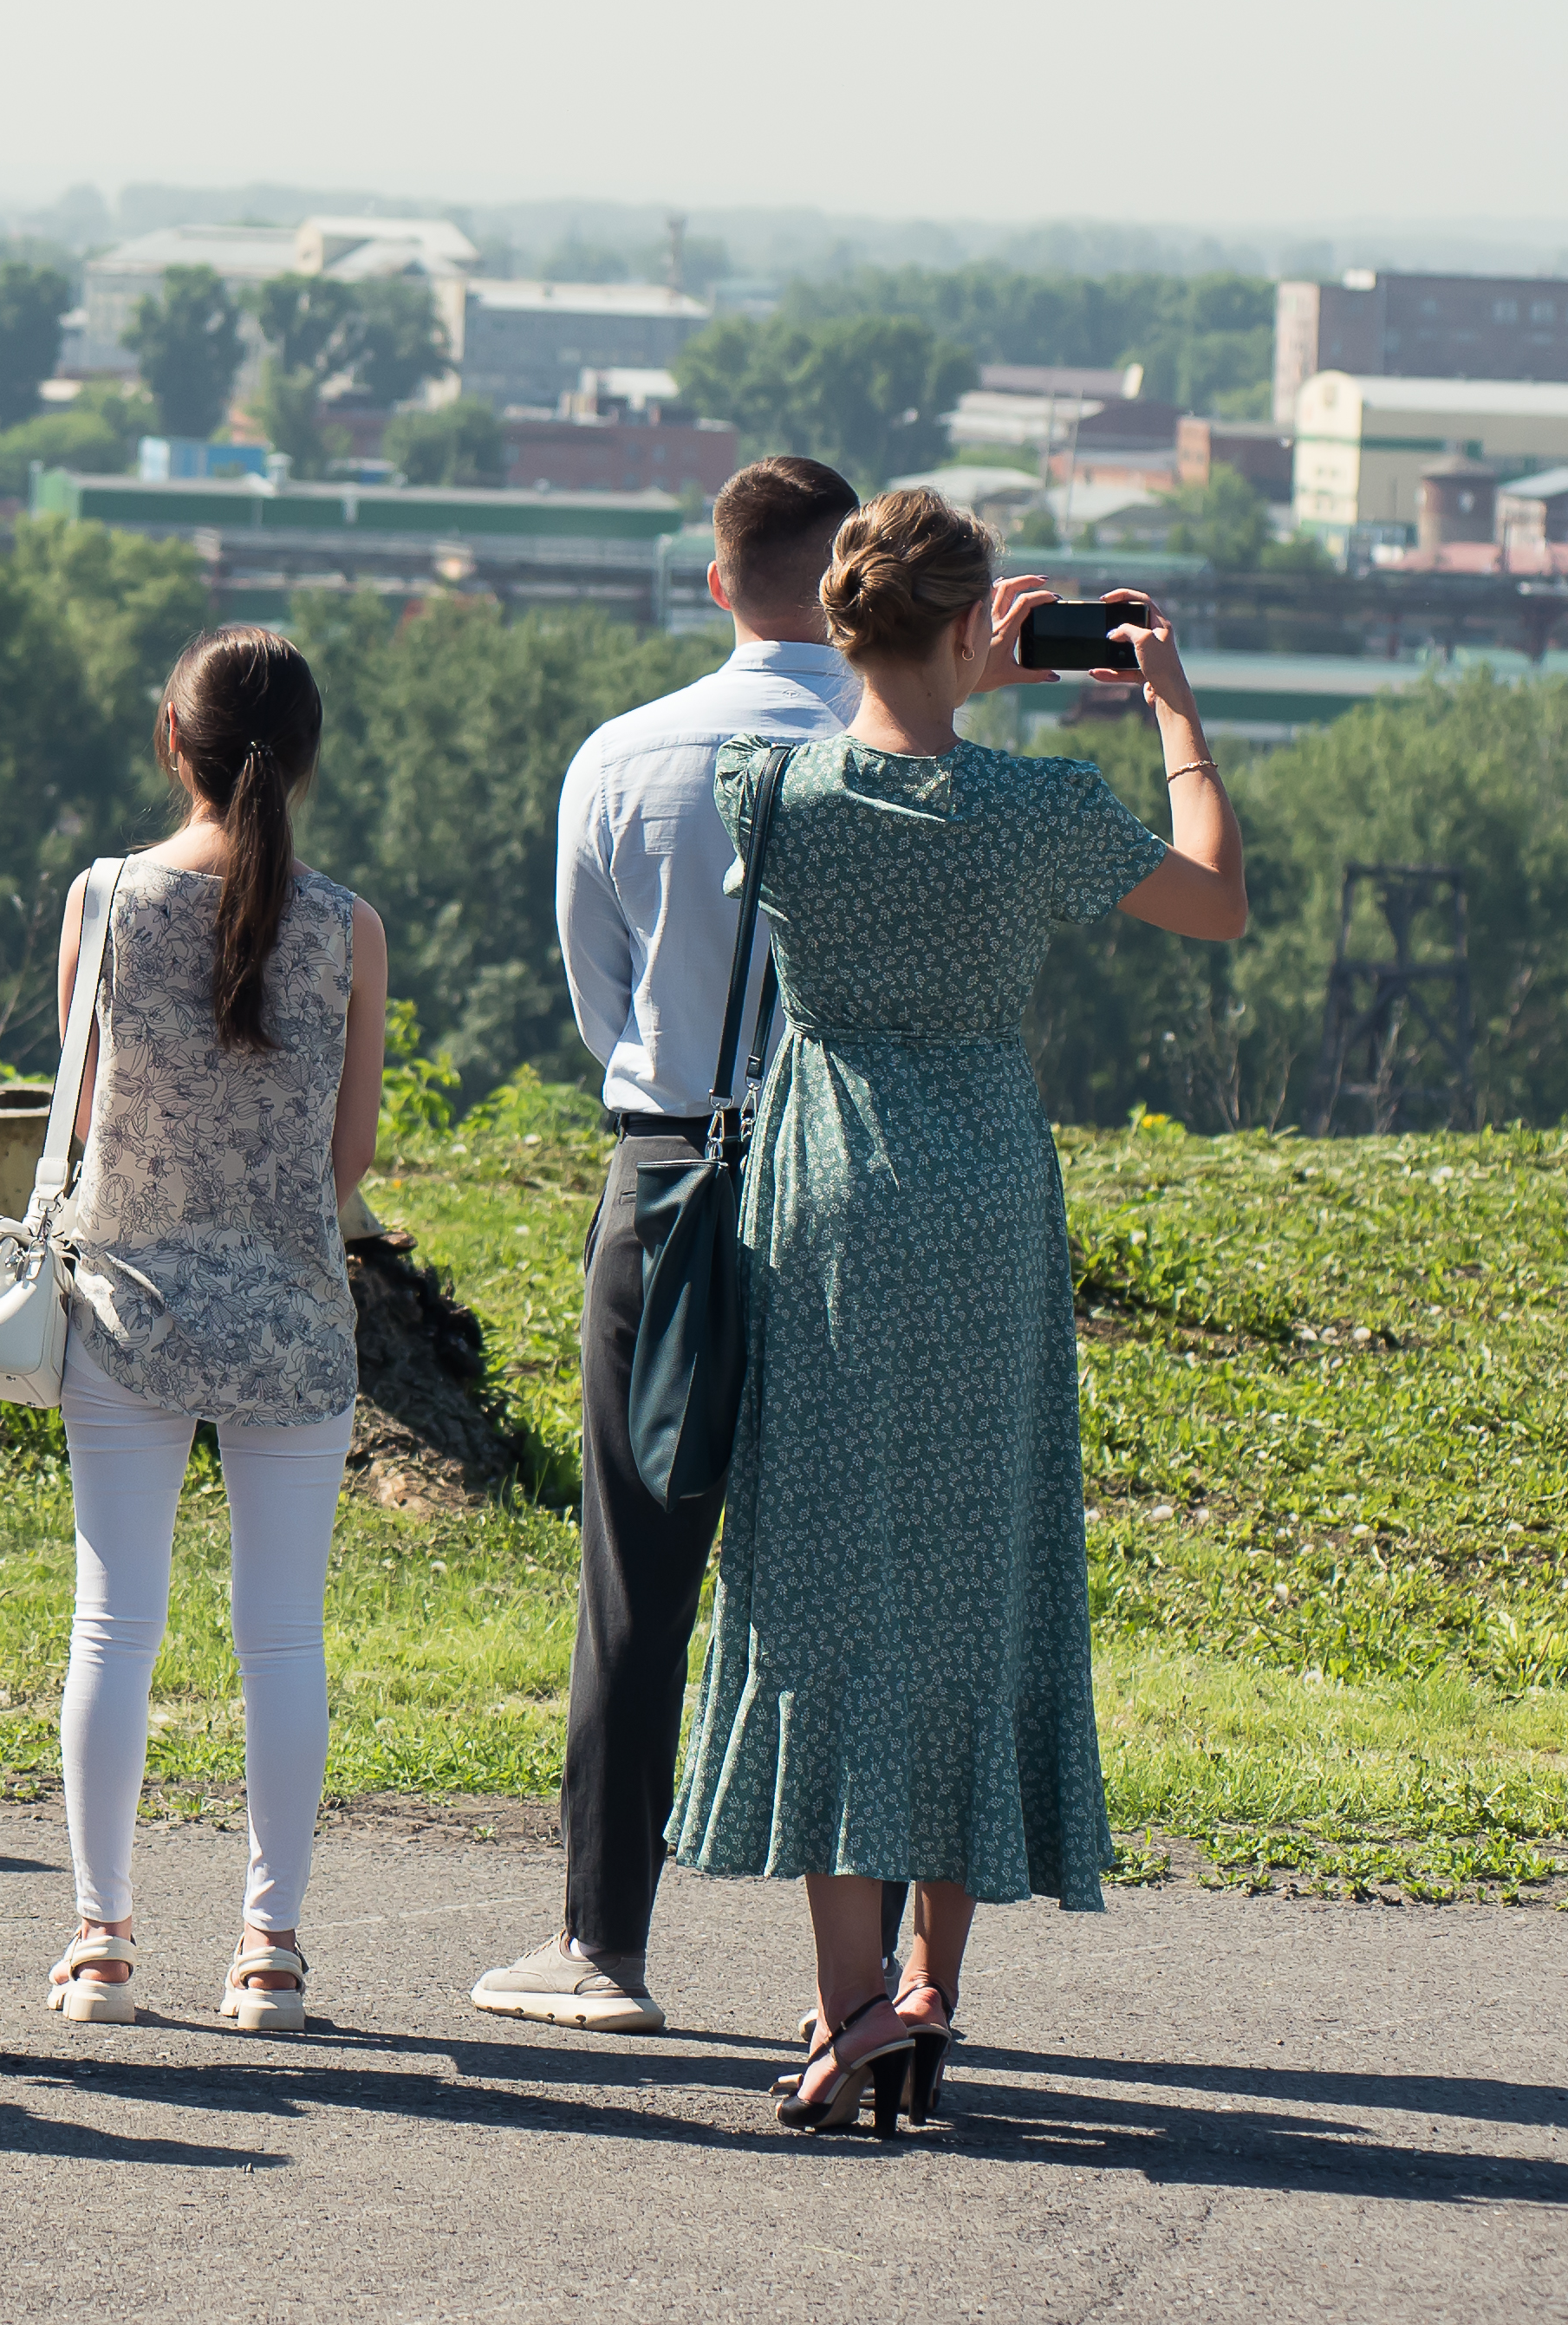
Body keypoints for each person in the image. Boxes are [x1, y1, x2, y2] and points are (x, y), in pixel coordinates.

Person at [667, 488, 1244, 2133]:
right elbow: (1214, 899)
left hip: (824, 1198)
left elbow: (874, 746)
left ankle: (850, 2013)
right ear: (969, 624)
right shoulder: (1039, 813)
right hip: (983, 1200)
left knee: (828, 1582)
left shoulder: (761, 791)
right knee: (973, 1577)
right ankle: (930, 1992)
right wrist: (1174, 715)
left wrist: (942, 676)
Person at [476, 453, 862, 2035]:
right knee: (852, 1578)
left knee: (635, 1570)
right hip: (844, 1189)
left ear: (718, 581)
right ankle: (865, 1976)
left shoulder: (621, 755)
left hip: (665, 1167)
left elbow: (600, 995)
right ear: (854, 584)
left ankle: (602, 1944)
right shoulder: (886, 757)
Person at [42, 627, 386, 2039]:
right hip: (295, 1318)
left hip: (125, 1307)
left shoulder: (106, 901)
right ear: (303, 760)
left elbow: (75, 1120)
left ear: (169, 744)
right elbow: (347, 1164)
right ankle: (269, 1951)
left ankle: (104, 1945)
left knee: (113, 1624)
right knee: (282, 1643)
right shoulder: (348, 925)